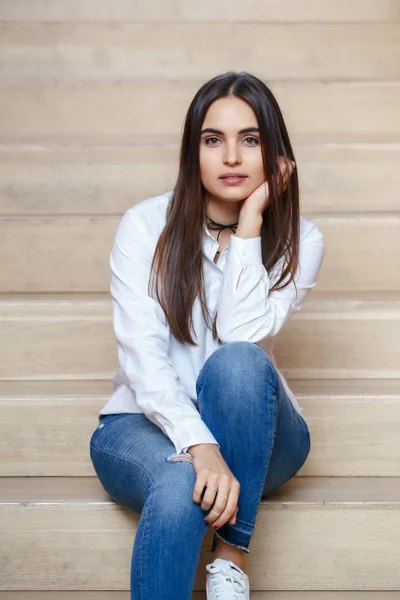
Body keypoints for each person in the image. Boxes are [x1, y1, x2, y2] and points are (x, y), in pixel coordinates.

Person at [89, 70, 325, 600]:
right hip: (141, 424)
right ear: (192, 152)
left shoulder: (300, 240)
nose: (233, 158)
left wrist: (250, 226)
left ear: (275, 154)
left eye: (251, 140)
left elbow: (240, 339)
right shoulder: (146, 226)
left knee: (239, 364)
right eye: (213, 140)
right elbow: (142, 358)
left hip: (260, 434)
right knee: (179, 481)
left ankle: (231, 557)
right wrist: (199, 444)